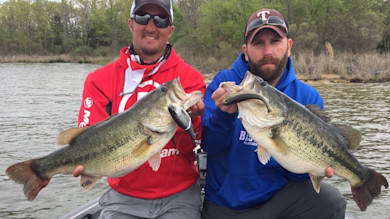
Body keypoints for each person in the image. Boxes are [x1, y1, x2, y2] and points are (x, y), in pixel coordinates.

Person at [201, 8, 347, 219]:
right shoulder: (224, 84)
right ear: (246, 49)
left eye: (275, 41)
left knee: (331, 201)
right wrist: (224, 116)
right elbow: (209, 146)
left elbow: (297, 178)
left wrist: (312, 165)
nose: (267, 51)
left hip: (278, 201)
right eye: (258, 43)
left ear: (288, 46)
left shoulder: (307, 97)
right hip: (225, 205)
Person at [73, 0, 206, 218]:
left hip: (179, 198)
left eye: (161, 20)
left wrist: (194, 121)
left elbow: (192, 146)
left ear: (170, 30)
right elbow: (88, 139)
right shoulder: (99, 80)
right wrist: (86, 165)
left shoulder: (187, 80)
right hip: (122, 200)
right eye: (143, 17)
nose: (152, 27)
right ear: (131, 24)